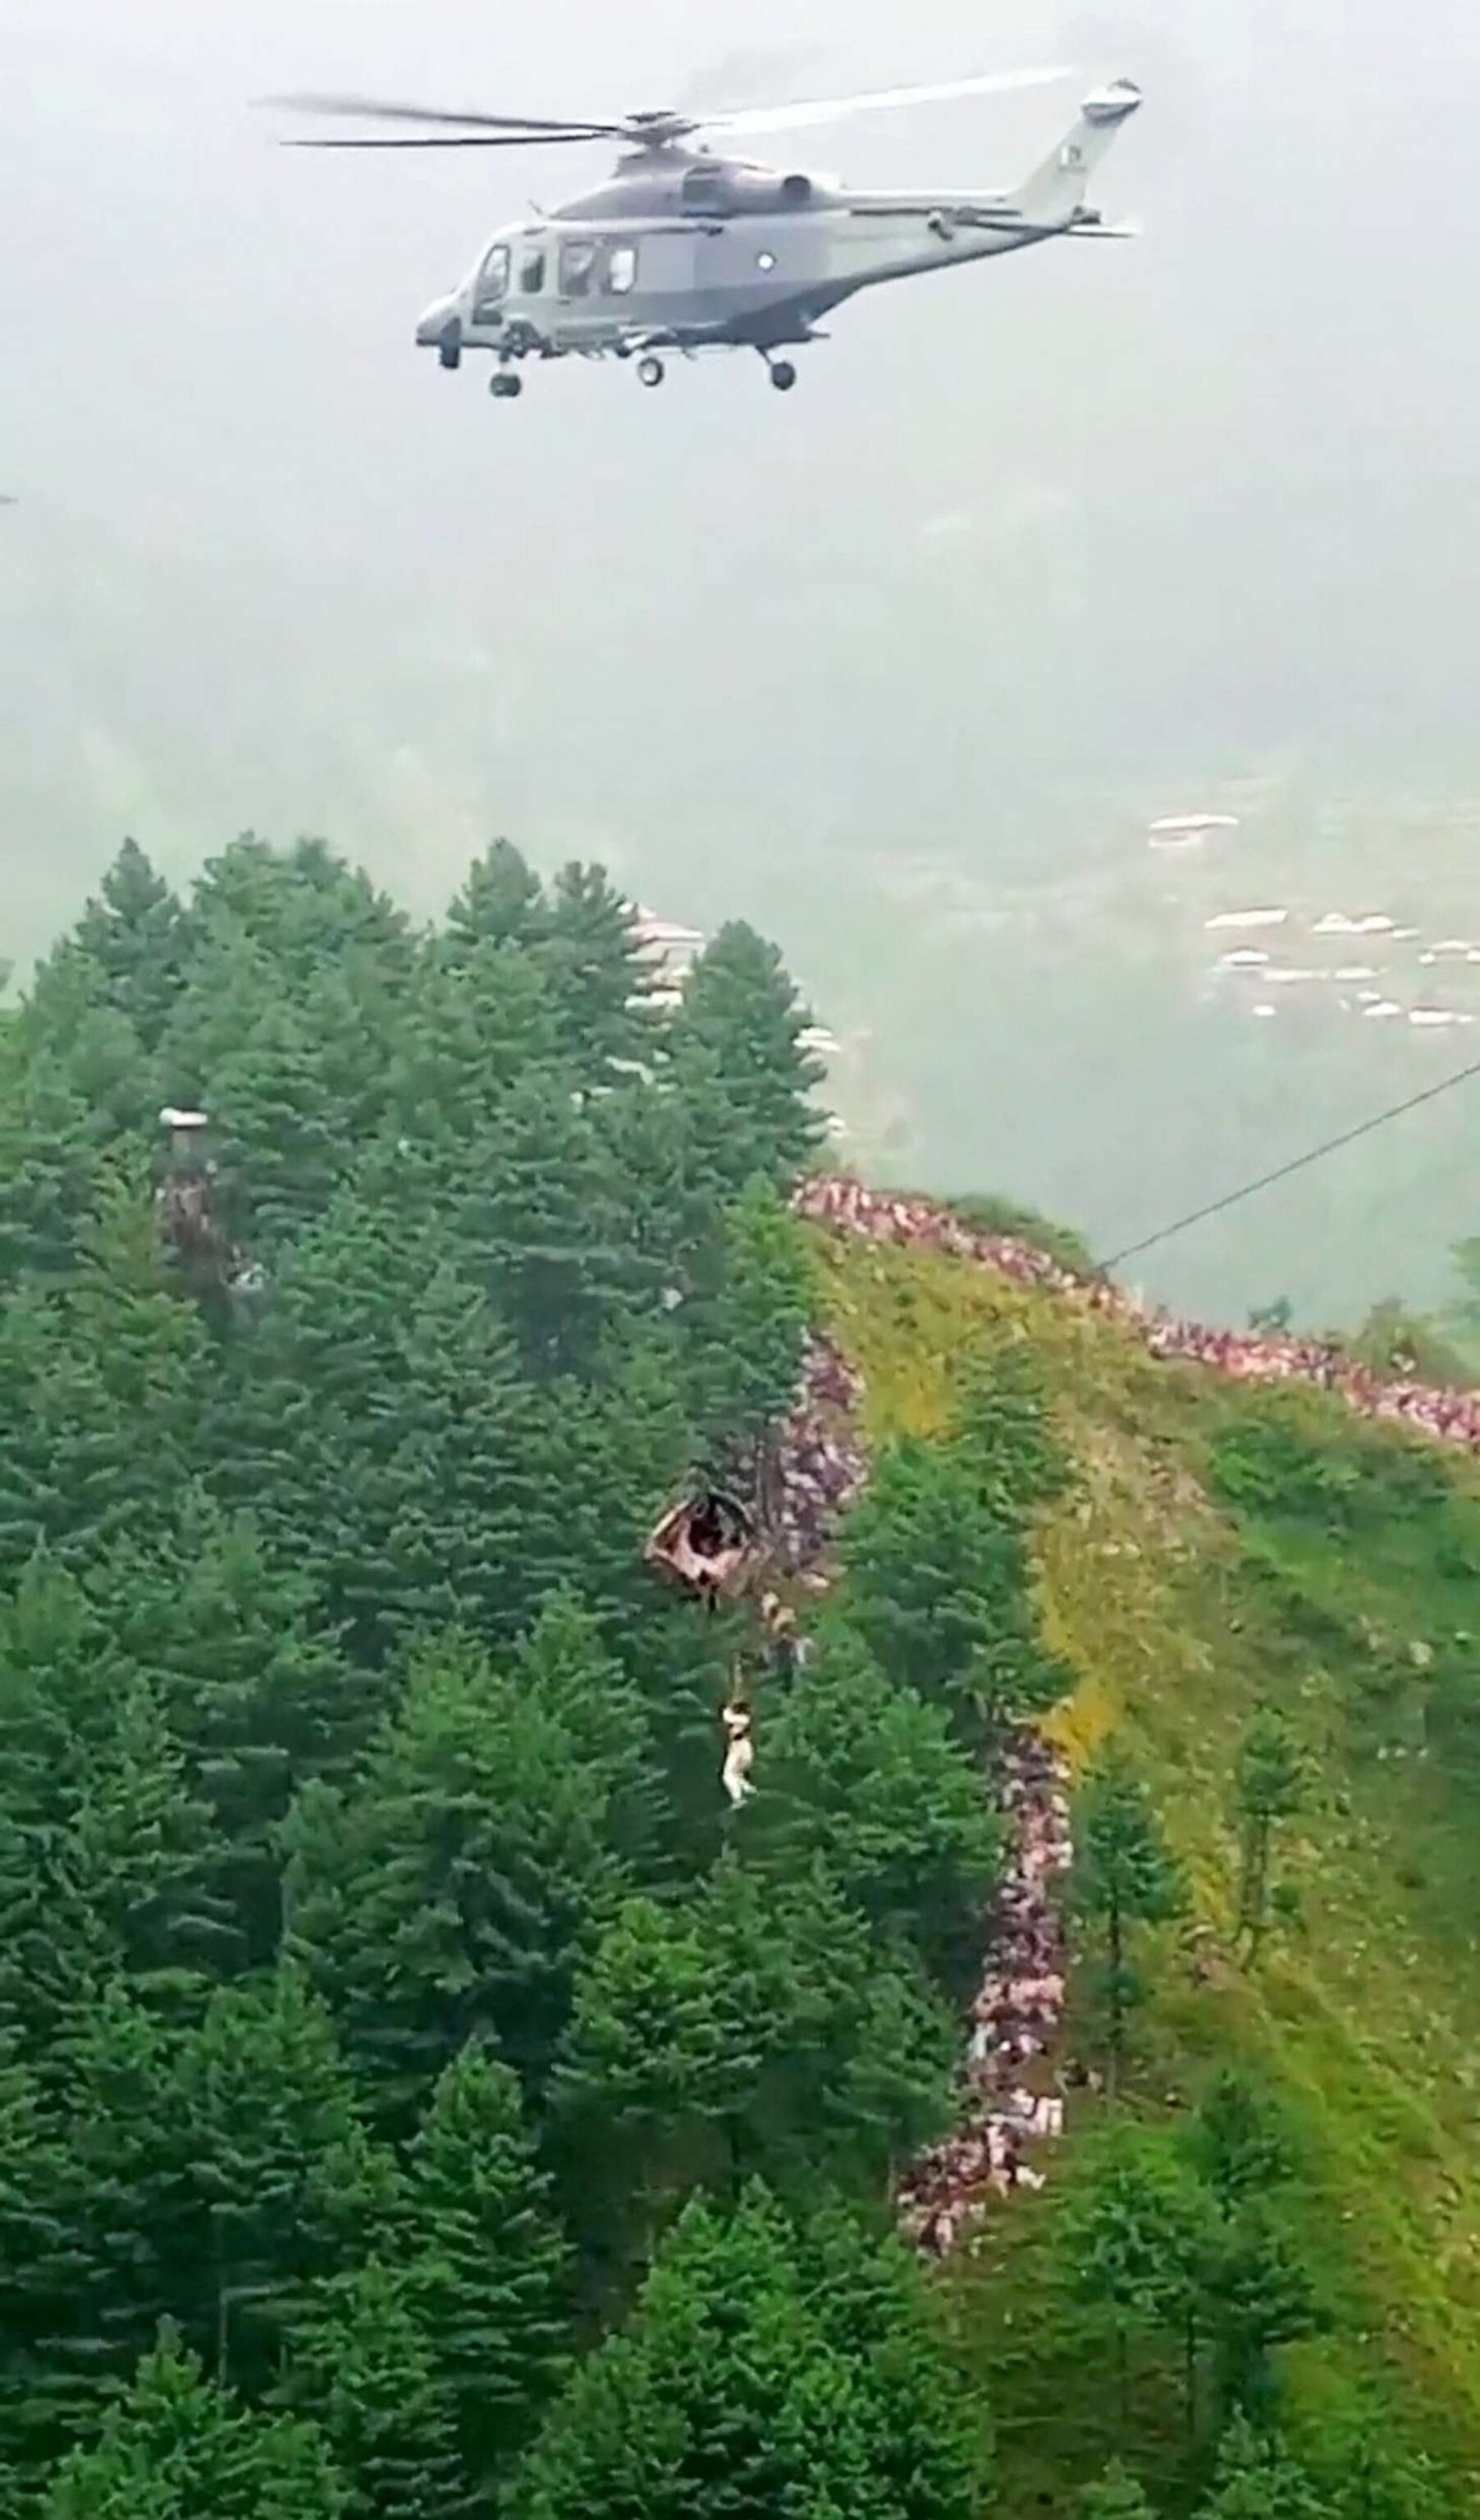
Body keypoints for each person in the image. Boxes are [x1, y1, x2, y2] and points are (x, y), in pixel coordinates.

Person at [721, 1697, 754, 1806]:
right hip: (740, 1746)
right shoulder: (744, 1719)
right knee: (737, 1774)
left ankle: (738, 1799)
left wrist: (726, 1708)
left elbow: (728, 1717)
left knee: (728, 1775)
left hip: (741, 1747)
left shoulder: (744, 1719)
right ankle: (749, 1791)